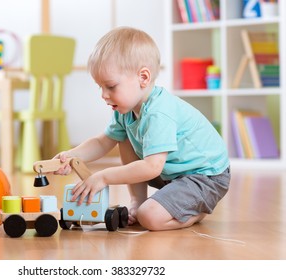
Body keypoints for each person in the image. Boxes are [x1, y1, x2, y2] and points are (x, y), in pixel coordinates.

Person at [54, 26, 230, 231]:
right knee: (123, 136)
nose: (103, 94)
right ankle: (138, 202)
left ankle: (194, 212)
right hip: (172, 173)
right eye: (100, 87)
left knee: (150, 217)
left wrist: (102, 176)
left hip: (206, 176)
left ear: (143, 78)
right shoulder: (124, 111)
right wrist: (71, 156)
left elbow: (151, 167)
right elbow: (102, 142)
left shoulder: (158, 113)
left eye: (110, 86)